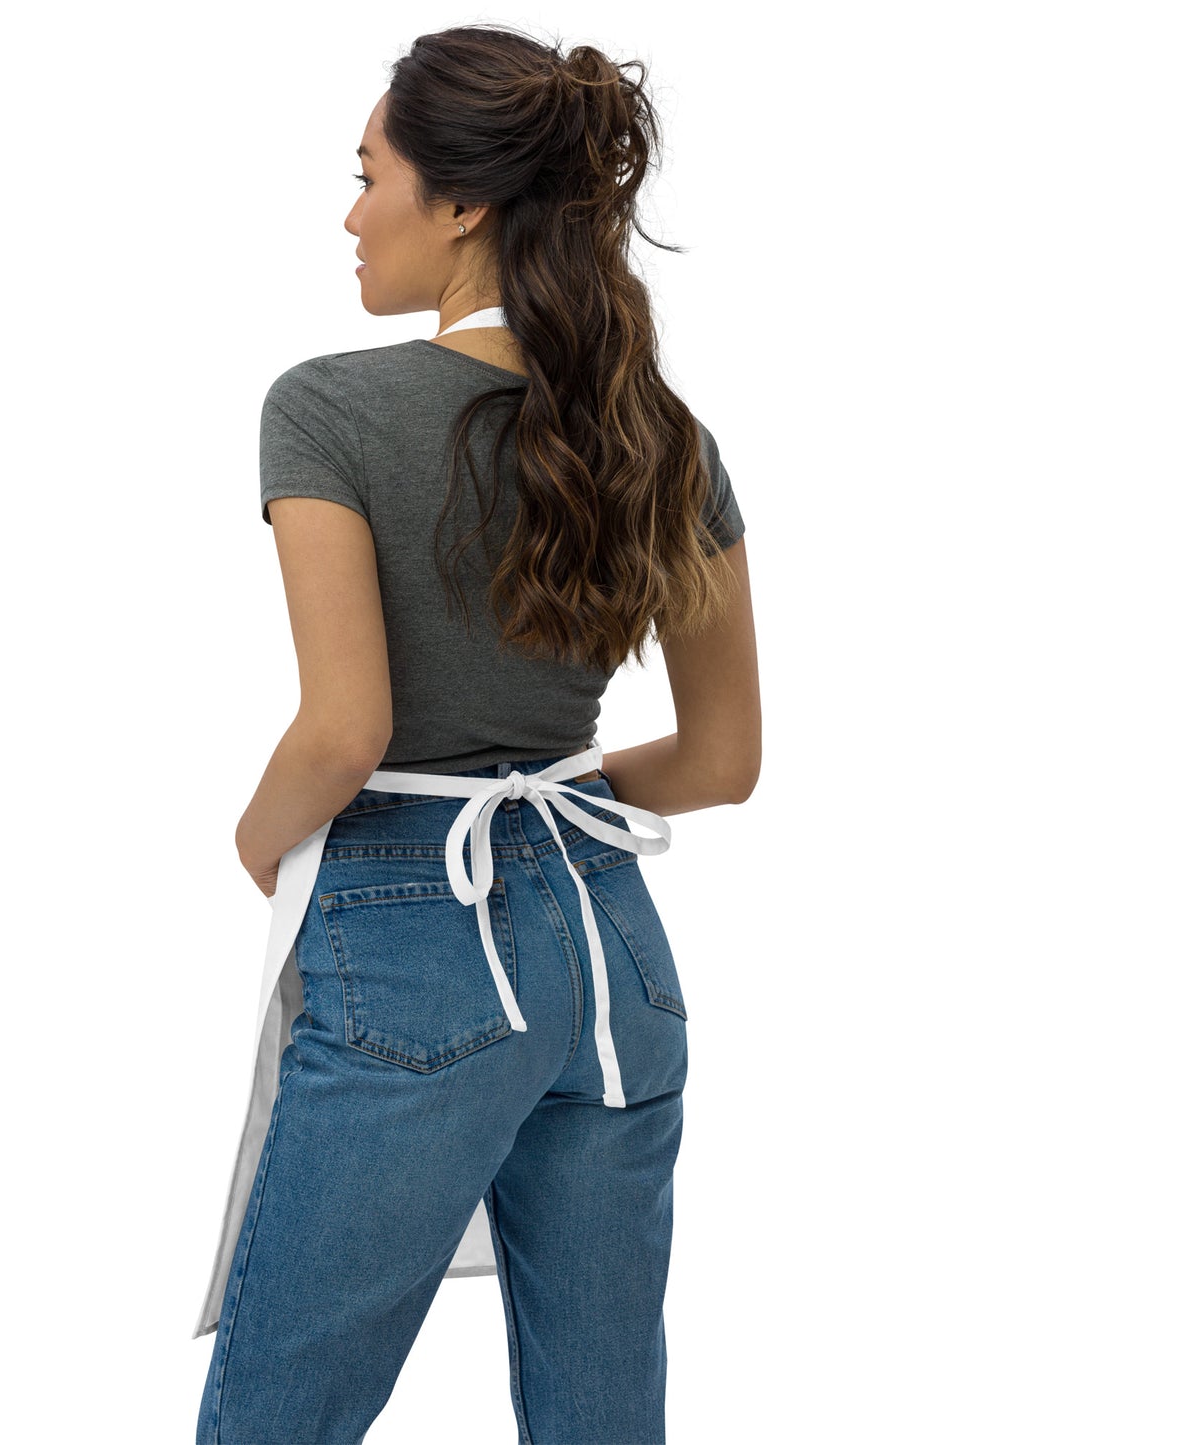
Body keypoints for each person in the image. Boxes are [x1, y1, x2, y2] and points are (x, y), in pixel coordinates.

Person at [193, 22, 761, 1445]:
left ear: (458, 203)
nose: (351, 214)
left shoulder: (328, 409)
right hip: (615, 954)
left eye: (366, 175)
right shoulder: (662, 438)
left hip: (415, 938)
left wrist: (257, 842)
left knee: (276, 1417)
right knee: (601, 1417)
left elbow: (345, 731)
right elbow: (721, 762)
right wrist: (552, 791)